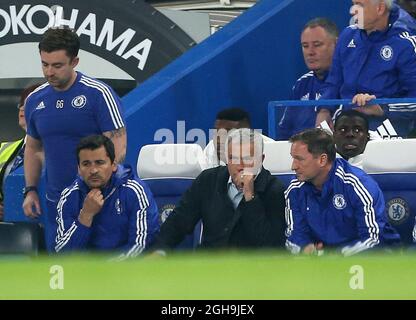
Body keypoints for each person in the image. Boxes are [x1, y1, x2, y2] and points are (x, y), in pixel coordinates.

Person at [23, 27, 127, 251]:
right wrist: (30, 189)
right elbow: (33, 148)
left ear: (75, 62)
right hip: (56, 204)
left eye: (57, 65)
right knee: (61, 275)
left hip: (98, 202)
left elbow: (118, 145)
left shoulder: (99, 94)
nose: (49, 72)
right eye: (44, 64)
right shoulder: (35, 100)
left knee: (100, 274)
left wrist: (98, 189)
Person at [152, 128, 286, 252]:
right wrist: (159, 251)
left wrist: (250, 196)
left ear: (261, 159)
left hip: (251, 270)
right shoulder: (208, 180)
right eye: (233, 158)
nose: (240, 166)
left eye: (247, 159)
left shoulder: (274, 189)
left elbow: (270, 247)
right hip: (208, 266)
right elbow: (178, 222)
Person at [285, 128, 400, 256]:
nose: (293, 166)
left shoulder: (357, 184)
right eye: (293, 159)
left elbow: (374, 239)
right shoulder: (295, 188)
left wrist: (336, 256)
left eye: (299, 159)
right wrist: (305, 248)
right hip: (321, 262)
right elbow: (294, 235)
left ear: (322, 160)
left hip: (371, 259)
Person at [316, 0, 416, 138]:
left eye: (360, 5)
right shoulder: (347, 36)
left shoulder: (406, 44)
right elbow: (333, 83)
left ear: (380, 8)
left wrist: (381, 108)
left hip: (389, 128)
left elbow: (413, 99)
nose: (353, 10)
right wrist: (324, 110)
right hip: (345, 123)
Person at [55, 135, 159, 258]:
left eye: (99, 163)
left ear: (113, 165)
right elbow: (63, 252)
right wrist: (85, 216)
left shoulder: (134, 190)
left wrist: (107, 271)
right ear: (79, 169)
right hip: (85, 273)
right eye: (86, 164)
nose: (93, 170)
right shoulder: (69, 196)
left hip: (127, 272)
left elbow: (141, 244)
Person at [277, 18, 338, 140]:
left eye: (317, 45)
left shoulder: (350, 82)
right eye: (305, 46)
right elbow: (284, 133)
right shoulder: (302, 84)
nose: (310, 52)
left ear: (336, 44)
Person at [0, 84, 41, 221]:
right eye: (21, 103)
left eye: (29, 103)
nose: (22, 108)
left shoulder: (63, 150)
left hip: (43, 225)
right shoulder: (3, 148)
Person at [202, 108, 273, 170]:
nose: (219, 139)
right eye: (216, 131)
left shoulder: (270, 148)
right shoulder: (211, 147)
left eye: (227, 131)